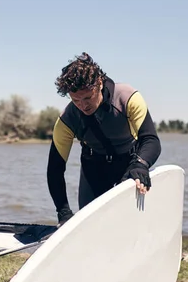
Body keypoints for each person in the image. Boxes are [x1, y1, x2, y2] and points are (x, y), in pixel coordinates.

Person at [46, 52, 161, 226]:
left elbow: (150, 139)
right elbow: (55, 169)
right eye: (76, 100)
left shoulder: (127, 97)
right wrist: (63, 213)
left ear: (99, 83)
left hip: (128, 163)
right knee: (91, 224)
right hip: (94, 167)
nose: (83, 106)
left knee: (128, 221)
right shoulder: (67, 119)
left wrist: (141, 164)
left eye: (87, 97)